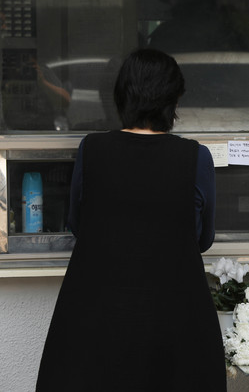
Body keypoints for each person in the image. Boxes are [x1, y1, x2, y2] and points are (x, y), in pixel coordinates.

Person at [36, 48, 226, 391]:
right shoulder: (195, 157)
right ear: (174, 99)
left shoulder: (91, 150)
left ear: (121, 95)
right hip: (176, 314)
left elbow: (78, 223)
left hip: (95, 313)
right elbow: (203, 238)